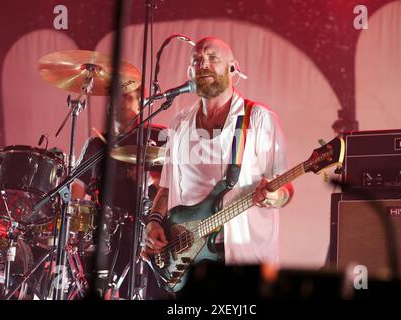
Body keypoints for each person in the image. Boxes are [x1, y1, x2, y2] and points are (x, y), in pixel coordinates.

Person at [144, 37, 294, 267]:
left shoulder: (257, 118)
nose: (203, 64)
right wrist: (154, 221)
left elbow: (285, 189)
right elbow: (166, 186)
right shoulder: (180, 122)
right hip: (187, 258)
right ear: (189, 72)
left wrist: (275, 196)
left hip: (243, 256)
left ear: (232, 68)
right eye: (197, 60)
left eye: (212, 58)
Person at [73, 89, 168, 299]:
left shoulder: (159, 136)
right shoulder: (96, 144)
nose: (119, 100)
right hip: (106, 235)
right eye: (116, 95)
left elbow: (181, 183)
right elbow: (77, 188)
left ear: (141, 102)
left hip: (151, 232)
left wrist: (151, 177)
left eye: (127, 95)